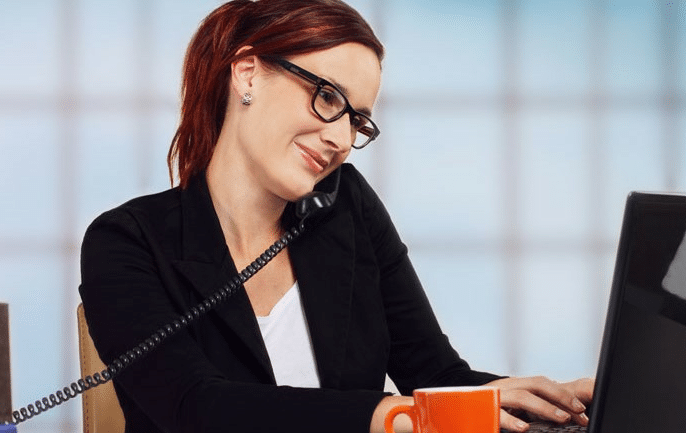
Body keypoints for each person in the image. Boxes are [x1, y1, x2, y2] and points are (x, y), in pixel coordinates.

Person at [78, 0, 593, 432]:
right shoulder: (124, 242)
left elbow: (432, 374)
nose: (341, 139)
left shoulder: (344, 206)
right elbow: (195, 407)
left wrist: (550, 406)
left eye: (358, 120)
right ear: (247, 72)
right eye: (328, 97)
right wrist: (389, 417)